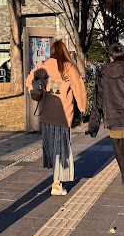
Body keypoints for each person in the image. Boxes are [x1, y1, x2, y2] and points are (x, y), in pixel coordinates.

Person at [86, 43, 124, 199]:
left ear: (111, 56)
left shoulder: (103, 74)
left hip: (113, 119)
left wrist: (93, 125)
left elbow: (97, 100)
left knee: (119, 153)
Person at [25, 40, 86, 196]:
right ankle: (57, 183)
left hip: (46, 115)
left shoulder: (43, 66)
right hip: (63, 116)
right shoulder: (69, 68)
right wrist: (83, 108)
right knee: (62, 149)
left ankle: (55, 179)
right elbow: (79, 89)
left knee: (52, 147)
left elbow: (29, 81)